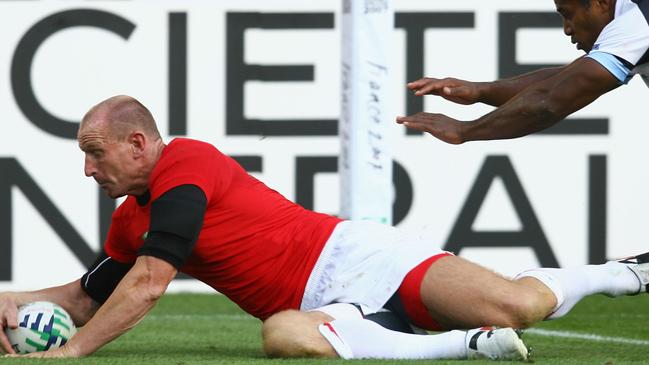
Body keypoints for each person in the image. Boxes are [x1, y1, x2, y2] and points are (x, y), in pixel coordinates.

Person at [1, 95, 647, 360]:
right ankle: (467, 345)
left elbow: (146, 284)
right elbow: (84, 295)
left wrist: (73, 351)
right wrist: (11, 301)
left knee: (523, 301)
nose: (87, 168)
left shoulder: (186, 163)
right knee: (283, 333)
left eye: (95, 151)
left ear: (138, 143)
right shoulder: (129, 220)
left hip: (360, 255)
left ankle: (622, 272)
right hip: (318, 305)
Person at [396, 0, 649, 143]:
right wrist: (479, 91)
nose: (567, 29)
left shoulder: (638, 22)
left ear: (601, 3)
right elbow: (562, 80)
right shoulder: (633, 26)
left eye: (568, 15)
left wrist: (465, 130)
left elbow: (549, 100)